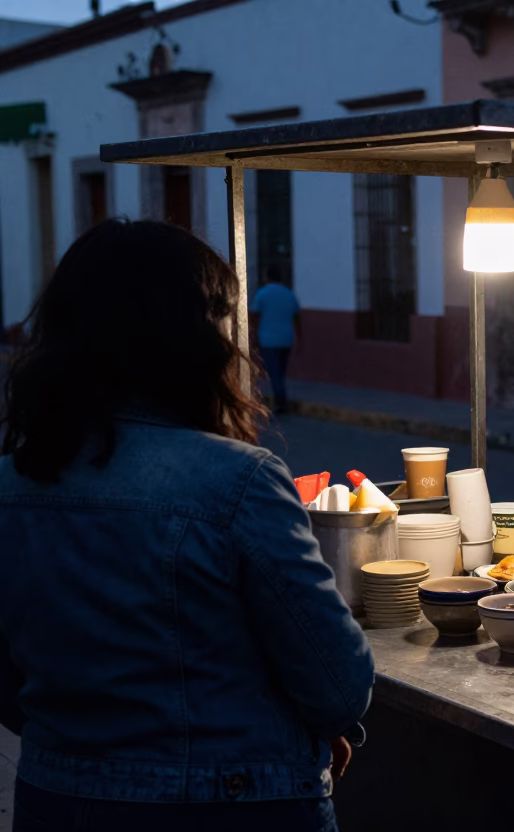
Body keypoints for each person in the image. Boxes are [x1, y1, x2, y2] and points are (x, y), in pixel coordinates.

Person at [0, 220, 374, 832]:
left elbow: (11, 687)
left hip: (58, 801)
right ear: (200, 340)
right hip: (231, 807)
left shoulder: (9, 487)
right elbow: (338, 684)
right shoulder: (238, 481)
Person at [251, 266, 301, 413]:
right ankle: (281, 398)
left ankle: (281, 401)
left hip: (268, 339)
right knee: (280, 371)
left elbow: (254, 316)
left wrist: (253, 336)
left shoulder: (263, 293)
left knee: (274, 372)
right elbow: (297, 318)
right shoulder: (289, 293)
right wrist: (300, 338)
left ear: (267, 277)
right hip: (286, 339)